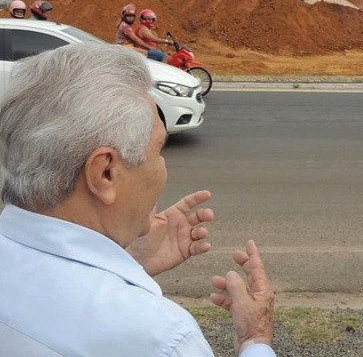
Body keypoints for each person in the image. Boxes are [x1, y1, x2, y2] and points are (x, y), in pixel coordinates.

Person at [0, 43, 275, 357]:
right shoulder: (160, 338)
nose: (163, 168)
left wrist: (128, 263)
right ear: (105, 173)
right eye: (158, 151)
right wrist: (256, 338)